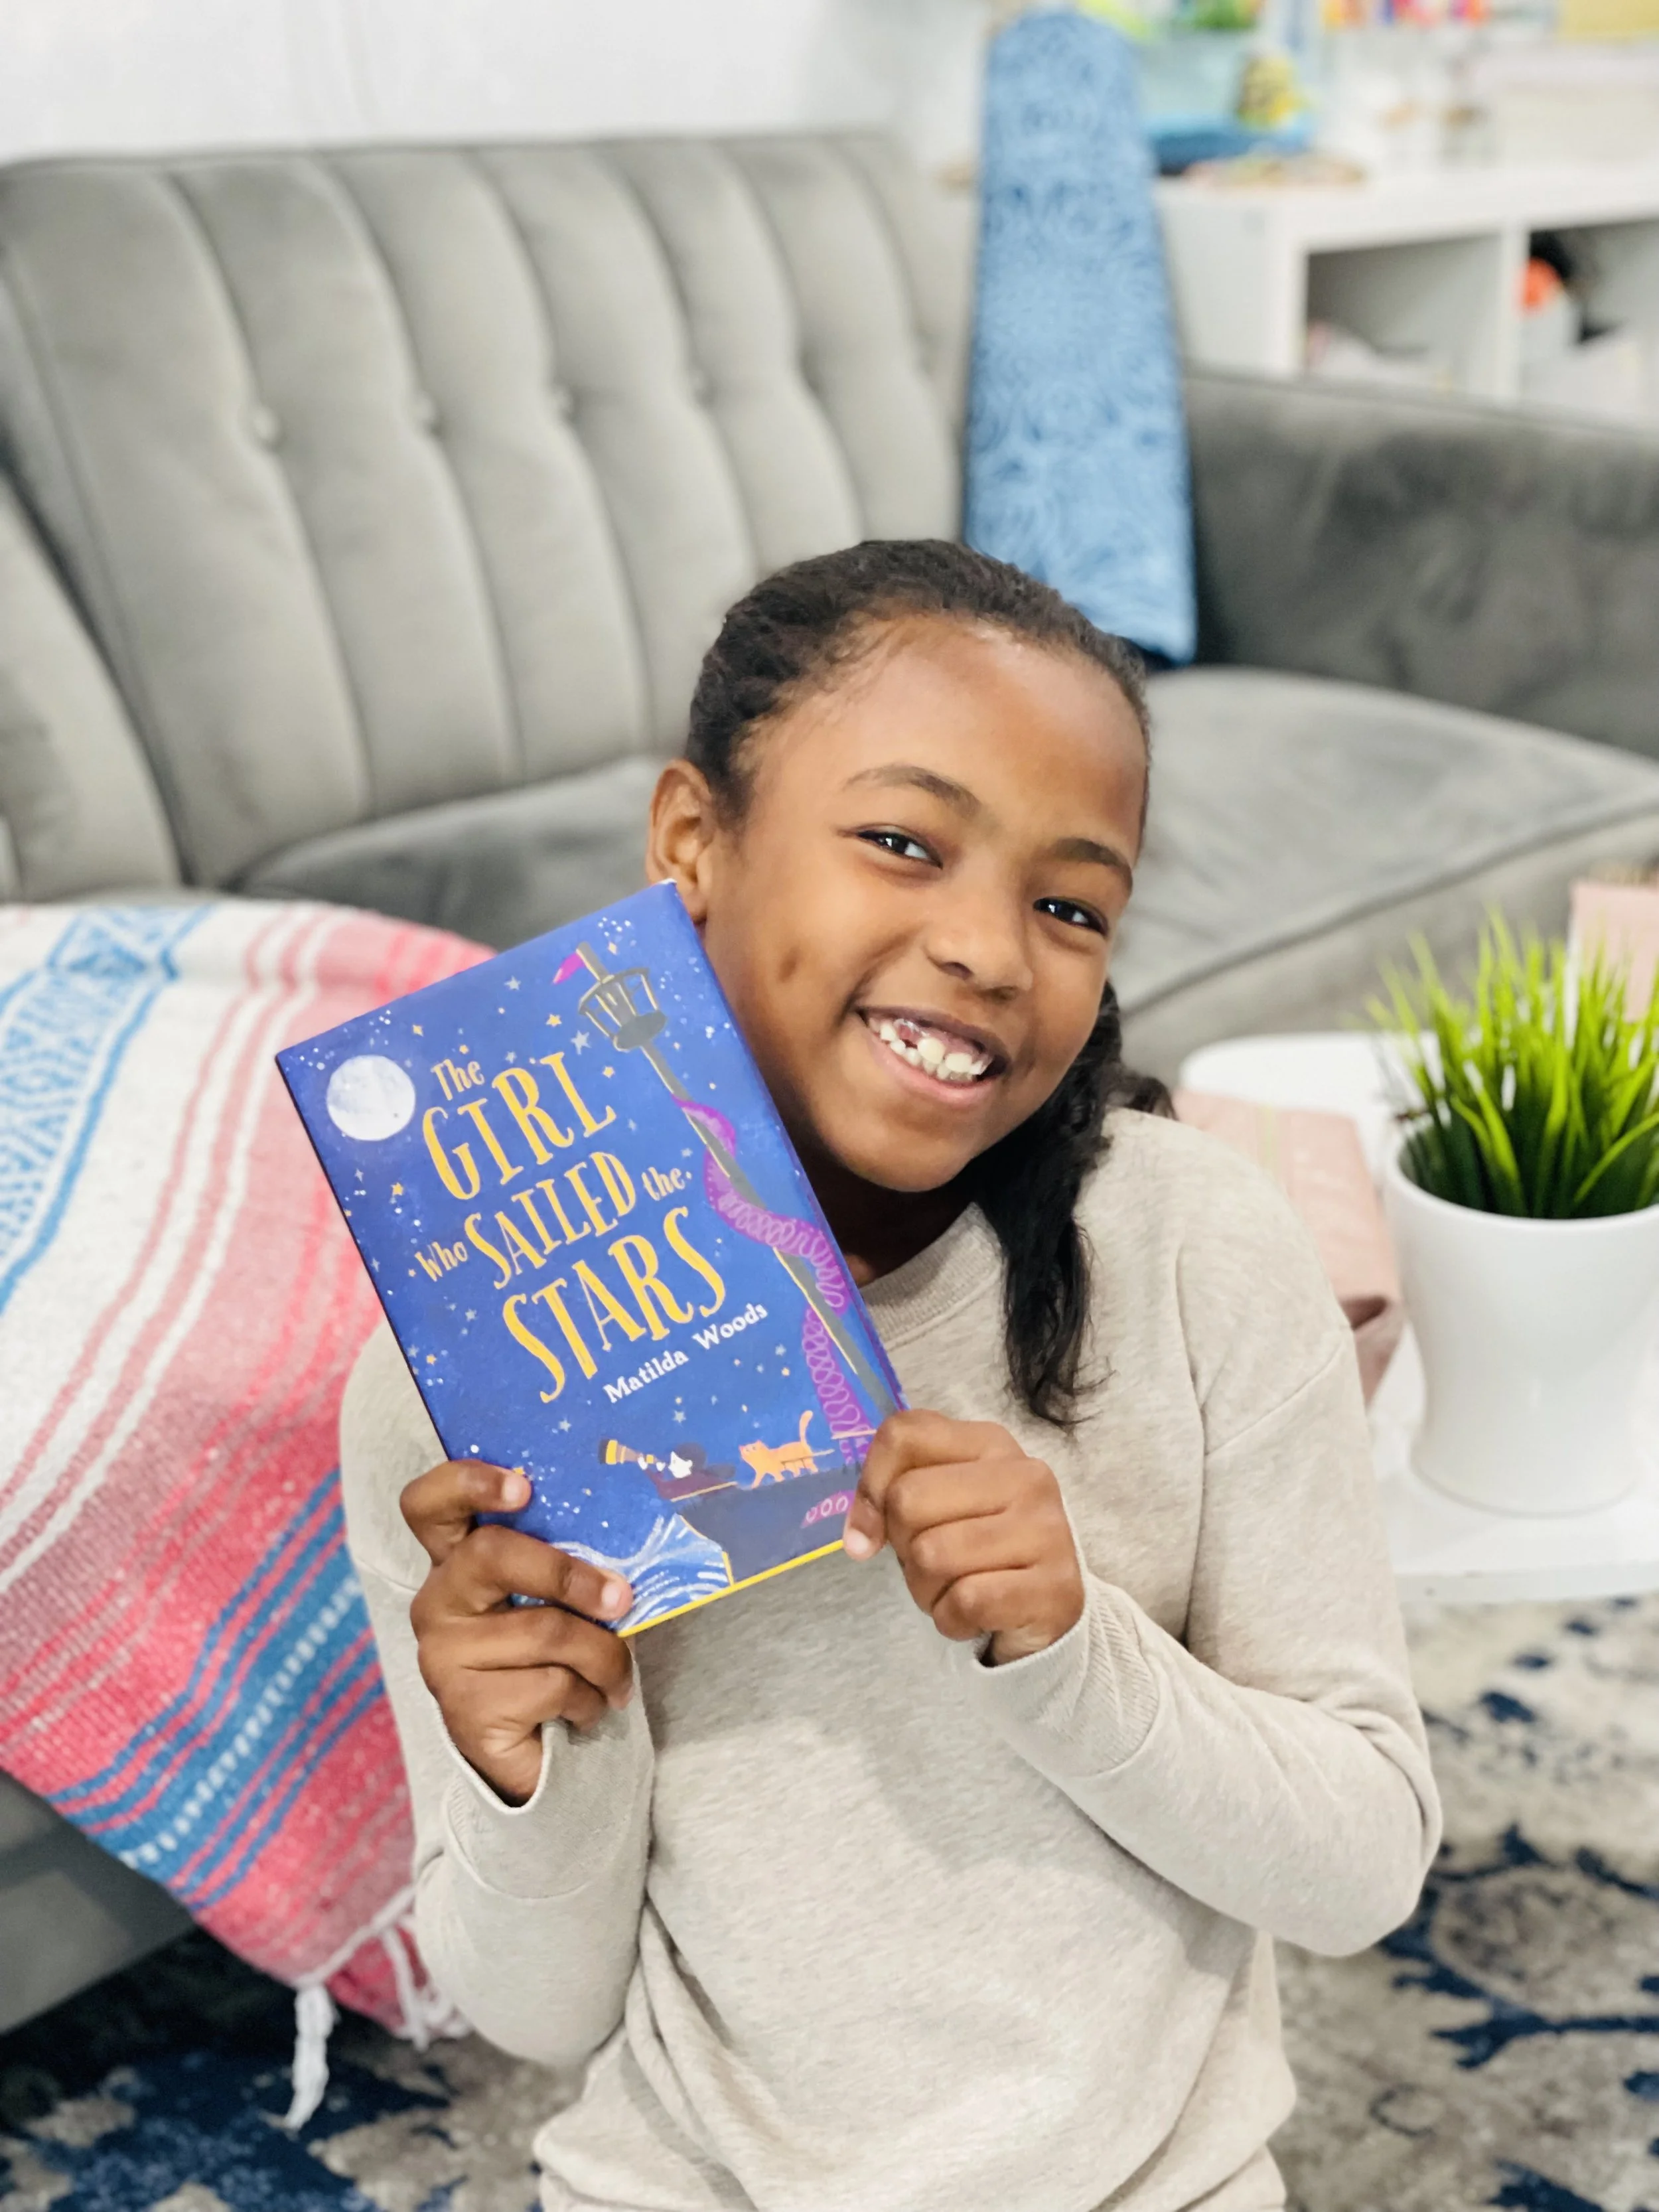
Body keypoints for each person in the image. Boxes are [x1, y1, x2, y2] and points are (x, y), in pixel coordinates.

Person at [340, 540, 1440, 2212]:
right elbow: (536, 2011)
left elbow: (1359, 1867)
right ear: (691, 843)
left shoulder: (1197, 1248)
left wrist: (1068, 1646)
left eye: (1069, 905)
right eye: (903, 843)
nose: (989, 949)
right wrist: (528, 1748)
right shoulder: (454, 1384)